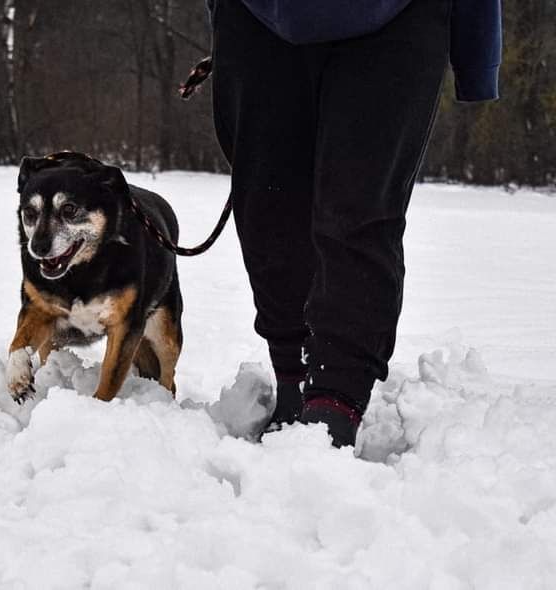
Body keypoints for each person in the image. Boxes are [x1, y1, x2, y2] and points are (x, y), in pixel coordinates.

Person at [209, 0, 501, 447]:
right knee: (268, 209)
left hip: (398, 21)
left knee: (359, 213)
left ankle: (335, 397)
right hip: (256, 20)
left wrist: (478, 52)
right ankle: (293, 375)